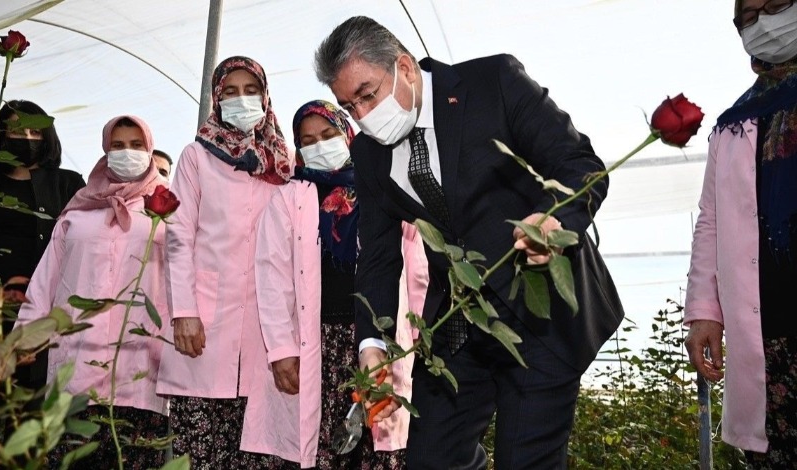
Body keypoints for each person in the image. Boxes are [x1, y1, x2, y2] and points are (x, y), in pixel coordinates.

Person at [314, 16, 624, 469]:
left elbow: (579, 165)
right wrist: (372, 344)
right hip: (457, 326)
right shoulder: (368, 153)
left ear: (404, 67)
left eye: (367, 95)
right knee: (432, 459)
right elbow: (379, 258)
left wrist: (554, 221)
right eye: (349, 107)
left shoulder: (493, 82)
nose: (362, 116)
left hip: (539, 316)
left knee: (526, 459)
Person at [243, 99, 427, 468]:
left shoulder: (381, 190)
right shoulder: (288, 198)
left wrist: (421, 332)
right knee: (328, 445)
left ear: (348, 134)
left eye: (328, 134)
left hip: (376, 337)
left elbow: (416, 265)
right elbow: (271, 276)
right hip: (320, 342)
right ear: (297, 149)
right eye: (307, 140)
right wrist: (280, 350)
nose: (319, 145)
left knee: (379, 442)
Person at [155, 56, 293, 469]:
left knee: (256, 454)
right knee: (200, 456)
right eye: (230, 92)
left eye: (251, 91)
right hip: (203, 327)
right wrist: (184, 313)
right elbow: (179, 236)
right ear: (216, 100)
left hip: (265, 330)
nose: (241, 100)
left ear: (266, 97)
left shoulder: (284, 167)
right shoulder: (196, 157)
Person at [17, 115, 168, 468]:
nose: (127, 153)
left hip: (141, 371)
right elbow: (45, 283)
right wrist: (23, 339)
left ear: (149, 150)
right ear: (105, 151)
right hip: (76, 370)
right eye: (118, 146)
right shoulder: (77, 215)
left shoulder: (168, 214)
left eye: (136, 146)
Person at [685, 1, 797, 467]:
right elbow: (710, 220)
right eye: (748, 17)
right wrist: (704, 311)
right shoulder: (733, 124)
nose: (763, 23)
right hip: (772, 329)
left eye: (776, 6)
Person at [0, 99, 85, 432]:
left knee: (32, 409)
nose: (25, 137)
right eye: (15, 129)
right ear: (1, 133)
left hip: (44, 314)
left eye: (34, 130)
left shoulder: (68, 185)